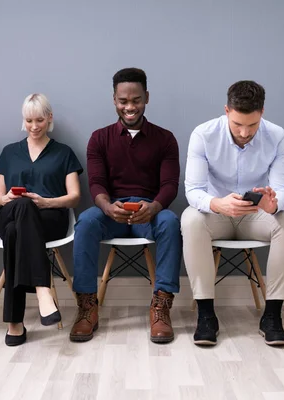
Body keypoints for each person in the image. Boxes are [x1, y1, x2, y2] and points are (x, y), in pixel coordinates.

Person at [181, 80, 284, 347]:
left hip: (256, 216)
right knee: (190, 219)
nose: (245, 132)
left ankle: (271, 315)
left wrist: (275, 204)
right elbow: (194, 190)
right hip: (217, 214)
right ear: (226, 111)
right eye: (238, 124)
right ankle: (205, 315)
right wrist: (217, 204)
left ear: (262, 113)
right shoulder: (203, 134)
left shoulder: (277, 135)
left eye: (253, 125)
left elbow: (283, 189)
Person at [70, 67, 182, 344]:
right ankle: (87, 306)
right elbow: (95, 183)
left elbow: (170, 185)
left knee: (171, 222)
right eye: (123, 101)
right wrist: (107, 207)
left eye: (136, 100)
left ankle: (161, 306)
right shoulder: (99, 138)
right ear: (114, 100)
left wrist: (153, 208)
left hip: (149, 212)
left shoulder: (165, 138)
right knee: (85, 221)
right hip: (111, 211)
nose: (130, 107)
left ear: (146, 97)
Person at [0, 93, 82, 346]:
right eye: (29, 120)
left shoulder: (64, 153)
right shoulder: (9, 152)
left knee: (13, 233)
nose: (34, 126)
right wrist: (8, 197)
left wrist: (46, 202)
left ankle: (15, 324)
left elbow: (74, 197)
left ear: (49, 118)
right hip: (10, 211)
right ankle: (43, 290)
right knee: (21, 205)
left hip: (50, 219)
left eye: (40, 120)